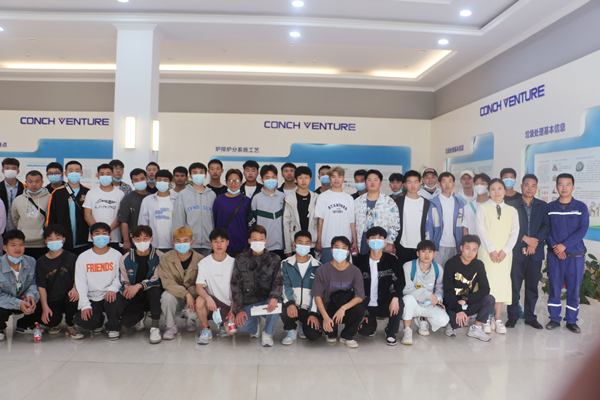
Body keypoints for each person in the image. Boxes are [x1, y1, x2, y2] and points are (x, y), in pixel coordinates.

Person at [546, 173, 589, 333]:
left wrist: (564, 245)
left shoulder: (581, 207)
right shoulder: (549, 208)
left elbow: (582, 230)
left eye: (567, 184)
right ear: (556, 186)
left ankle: (571, 321)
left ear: (573, 186)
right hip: (554, 256)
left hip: (575, 256)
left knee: (573, 290)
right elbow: (546, 229)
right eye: (561, 184)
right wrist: (556, 247)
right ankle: (554, 319)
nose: (564, 187)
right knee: (555, 288)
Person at [476, 178, 519, 334]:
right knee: (487, 284)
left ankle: (498, 318)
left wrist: (505, 250)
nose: (496, 192)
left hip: (504, 254)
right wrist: (491, 249)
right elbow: (480, 230)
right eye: (493, 189)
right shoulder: (483, 208)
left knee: (501, 284)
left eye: (499, 188)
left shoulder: (512, 211)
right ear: (489, 192)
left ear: (505, 191)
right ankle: (485, 317)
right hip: (487, 252)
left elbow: (515, 232)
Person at [506, 174, 549, 330]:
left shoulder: (542, 206)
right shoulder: (511, 205)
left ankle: (530, 317)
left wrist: (534, 242)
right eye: (527, 185)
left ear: (536, 188)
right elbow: (507, 227)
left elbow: (546, 227)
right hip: (516, 252)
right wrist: (525, 239)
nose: (530, 188)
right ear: (521, 186)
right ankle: (512, 316)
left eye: (533, 185)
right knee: (514, 286)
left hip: (535, 253)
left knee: (532, 287)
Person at [231, 225, 283, 347]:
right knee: (241, 325)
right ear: (249, 241)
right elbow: (235, 285)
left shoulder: (274, 259)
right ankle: (255, 327)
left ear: (266, 241)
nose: (258, 242)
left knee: (277, 303)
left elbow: (278, 281)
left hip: (267, 300)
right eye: (254, 239)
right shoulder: (240, 259)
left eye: (261, 239)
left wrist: (274, 297)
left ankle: (268, 332)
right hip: (248, 302)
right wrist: (239, 310)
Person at [312, 236, 366, 348]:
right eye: (337, 247)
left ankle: (347, 335)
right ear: (331, 250)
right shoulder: (322, 270)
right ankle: (331, 330)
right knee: (330, 336)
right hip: (329, 307)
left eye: (344, 248)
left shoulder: (355, 271)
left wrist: (343, 308)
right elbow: (317, 295)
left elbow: (360, 296)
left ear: (348, 252)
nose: (340, 251)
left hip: (346, 306)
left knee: (360, 307)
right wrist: (325, 317)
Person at [74, 222, 124, 340]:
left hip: (110, 294)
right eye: (97, 233)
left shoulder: (117, 255)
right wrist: (85, 305)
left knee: (116, 301)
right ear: (91, 237)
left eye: (104, 233)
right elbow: (80, 282)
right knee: (85, 321)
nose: (101, 236)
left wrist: (113, 289)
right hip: (92, 296)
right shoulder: (83, 257)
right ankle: (98, 321)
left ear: (109, 236)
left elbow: (120, 277)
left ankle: (113, 327)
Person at [114, 225, 163, 344]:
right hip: (135, 294)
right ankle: (141, 316)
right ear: (133, 240)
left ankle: (155, 327)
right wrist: (128, 290)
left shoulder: (159, 256)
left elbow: (158, 279)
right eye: (138, 239)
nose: (142, 242)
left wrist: (139, 285)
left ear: (151, 239)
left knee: (154, 291)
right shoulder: (126, 258)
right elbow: (124, 281)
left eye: (145, 238)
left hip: (152, 291)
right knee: (127, 322)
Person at [355, 227, 403, 346]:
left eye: (380, 238)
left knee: (399, 302)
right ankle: (371, 322)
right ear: (367, 241)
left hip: (385, 302)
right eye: (373, 238)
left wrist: (395, 297)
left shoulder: (392, 261)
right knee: (365, 332)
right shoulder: (359, 261)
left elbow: (400, 282)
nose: (376, 240)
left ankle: (390, 332)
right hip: (366, 304)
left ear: (385, 241)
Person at [34, 225, 83, 339]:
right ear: (45, 241)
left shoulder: (72, 257)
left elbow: (78, 277)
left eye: (57, 238)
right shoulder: (41, 262)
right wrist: (45, 307)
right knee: (49, 320)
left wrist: (75, 288)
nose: (54, 241)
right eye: (50, 239)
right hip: (52, 299)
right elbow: (41, 286)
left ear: (63, 240)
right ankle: (55, 323)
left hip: (69, 297)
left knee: (74, 298)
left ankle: (70, 324)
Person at [443, 235, 495, 341]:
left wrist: (466, 300)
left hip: (466, 303)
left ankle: (475, 328)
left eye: (474, 250)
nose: (470, 253)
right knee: (457, 324)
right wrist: (458, 310)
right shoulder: (451, 264)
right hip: (452, 304)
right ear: (461, 248)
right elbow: (447, 292)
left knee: (489, 299)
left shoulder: (478, 265)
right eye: (468, 248)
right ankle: (450, 323)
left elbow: (485, 289)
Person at [158, 226, 204, 340]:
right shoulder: (166, 258)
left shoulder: (200, 259)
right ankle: (170, 326)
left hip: (193, 295)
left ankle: (191, 321)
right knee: (166, 297)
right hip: (175, 295)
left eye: (185, 240)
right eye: (178, 241)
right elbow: (167, 282)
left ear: (191, 242)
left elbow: (201, 284)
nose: (182, 244)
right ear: (173, 243)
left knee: (199, 302)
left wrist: (190, 294)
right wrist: (186, 294)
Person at [401, 239, 449, 345]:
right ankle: (407, 330)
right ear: (418, 253)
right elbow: (407, 290)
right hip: (413, 305)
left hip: (428, 304)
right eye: (423, 251)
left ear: (434, 254)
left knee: (444, 319)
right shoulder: (408, 266)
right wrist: (428, 295)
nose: (427, 255)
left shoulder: (438, 269)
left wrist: (437, 299)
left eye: (430, 252)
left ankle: (423, 319)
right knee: (408, 299)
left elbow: (440, 288)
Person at [195, 228, 237, 344]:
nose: (219, 245)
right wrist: (208, 298)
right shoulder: (204, 263)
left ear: (227, 243)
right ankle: (206, 329)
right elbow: (199, 287)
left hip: (229, 305)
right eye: (215, 241)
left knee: (230, 332)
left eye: (222, 241)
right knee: (200, 300)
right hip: (212, 303)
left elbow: (237, 289)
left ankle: (223, 324)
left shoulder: (234, 262)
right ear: (211, 244)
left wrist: (232, 310)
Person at [281, 230, 322, 345]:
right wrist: (290, 303)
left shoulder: (318, 266)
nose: (303, 246)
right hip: (292, 306)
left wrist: (313, 313)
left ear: (311, 245)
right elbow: (284, 286)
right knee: (281, 305)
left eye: (306, 243)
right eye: (300, 243)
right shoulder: (285, 264)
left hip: (308, 308)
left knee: (313, 335)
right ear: (294, 244)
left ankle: (303, 325)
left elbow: (318, 293)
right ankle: (291, 329)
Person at [393, 170, 441, 268]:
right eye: (409, 182)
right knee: (402, 273)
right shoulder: (397, 202)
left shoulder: (427, 204)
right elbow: (393, 223)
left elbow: (430, 226)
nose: (413, 185)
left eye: (415, 182)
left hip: (420, 248)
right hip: (402, 246)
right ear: (404, 184)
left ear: (420, 183)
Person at [0, 229, 40, 340]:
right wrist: (18, 303)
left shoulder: (31, 261)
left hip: (24, 299)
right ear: (5, 248)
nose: (18, 248)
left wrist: (31, 295)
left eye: (21, 245)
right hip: (6, 302)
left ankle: (24, 324)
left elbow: (33, 283)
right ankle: (0, 327)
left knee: (40, 299)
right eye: (13, 245)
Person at [46, 160, 91, 256]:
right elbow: (50, 217)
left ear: (81, 173)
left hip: (83, 241)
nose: (74, 173)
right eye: (71, 171)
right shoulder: (57, 193)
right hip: (63, 242)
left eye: (77, 171)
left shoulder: (88, 192)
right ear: (66, 174)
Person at [315, 166, 357, 264]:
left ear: (343, 178)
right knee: (327, 271)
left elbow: (352, 222)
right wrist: (319, 241)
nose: (336, 179)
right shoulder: (322, 197)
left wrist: (355, 241)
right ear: (329, 179)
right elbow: (320, 222)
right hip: (327, 243)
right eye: (333, 176)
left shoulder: (349, 198)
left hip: (345, 244)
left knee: (343, 271)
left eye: (339, 176)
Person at [172, 162, 216, 257]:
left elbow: (214, 219)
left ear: (205, 175)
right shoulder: (183, 194)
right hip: (189, 243)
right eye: (195, 172)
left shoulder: (212, 195)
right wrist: (179, 241)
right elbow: (178, 219)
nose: (198, 175)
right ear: (190, 176)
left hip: (208, 243)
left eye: (201, 172)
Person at [354, 169, 399, 255]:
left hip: (381, 244)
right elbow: (353, 224)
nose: (372, 183)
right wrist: (354, 242)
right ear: (365, 182)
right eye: (369, 180)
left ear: (380, 183)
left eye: (375, 180)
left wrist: (390, 243)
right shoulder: (357, 202)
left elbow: (395, 225)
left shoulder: (389, 202)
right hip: (362, 242)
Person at [83, 164, 125, 253]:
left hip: (114, 238)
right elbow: (87, 215)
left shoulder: (120, 194)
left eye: (108, 174)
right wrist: (98, 232)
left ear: (112, 176)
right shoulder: (91, 193)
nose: (105, 176)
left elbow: (120, 215)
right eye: (102, 174)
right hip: (95, 238)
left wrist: (107, 231)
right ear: (98, 176)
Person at [11, 171, 51, 259]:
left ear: (42, 182)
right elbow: (15, 219)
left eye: (37, 181)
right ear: (26, 182)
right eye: (30, 181)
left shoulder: (50, 198)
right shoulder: (18, 200)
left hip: (42, 243)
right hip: (23, 243)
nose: (33, 184)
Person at [249, 164, 286, 259]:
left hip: (281, 246)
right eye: (267, 177)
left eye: (273, 177)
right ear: (262, 180)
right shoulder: (256, 198)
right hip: (263, 246)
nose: (271, 180)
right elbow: (251, 222)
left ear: (277, 178)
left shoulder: (283, 196)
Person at [429, 172, 466, 266]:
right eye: (444, 181)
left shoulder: (460, 203)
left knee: (453, 272)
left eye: (450, 181)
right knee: (438, 272)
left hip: (455, 245)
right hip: (438, 245)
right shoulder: (433, 202)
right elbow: (429, 225)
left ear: (454, 184)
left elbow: (463, 225)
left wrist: (462, 245)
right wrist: (430, 245)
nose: (447, 184)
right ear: (439, 184)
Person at [213, 169, 251, 257]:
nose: (233, 183)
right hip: (223, 246)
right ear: (226, 182)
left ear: (241, 182)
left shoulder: (247, 201)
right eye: (230, 180)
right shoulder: (219, 201)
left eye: (236, 180)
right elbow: (215, 221)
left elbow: (250, 224)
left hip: (242, 246)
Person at [138, 169, 177, 253]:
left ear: (170, 183)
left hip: (173, 245)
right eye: (159, 180)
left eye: (165, 180)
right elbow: (143, 223)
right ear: (155, 182)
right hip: (153, 245)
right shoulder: (147, 200)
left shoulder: (176, 200)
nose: (162, 182)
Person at [283, 166, 318, 256]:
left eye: (306, 177)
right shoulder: (289, 199)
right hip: (295, 244)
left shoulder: (316, 198)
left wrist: (319, 243)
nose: (303, 180)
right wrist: (288, 249)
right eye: (300, 178)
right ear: (295, 179)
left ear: (310, 179)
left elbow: (320, 223)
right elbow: (286, 224)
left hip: (312, 244)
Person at [118, 168, 148, 252]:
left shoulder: (151, 197)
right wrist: (126, 241)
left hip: (149, 239)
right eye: (136, 180)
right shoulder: (128, 198)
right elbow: (124, 221)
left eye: (142, 179)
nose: (139, 182)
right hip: (134, 240)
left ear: (147, 179)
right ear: (132, 182)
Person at [1, 157, 25, 231]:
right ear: (2, 170)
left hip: (20, 228)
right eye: (7, 168)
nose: (10, 171)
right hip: (2, 228)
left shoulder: (25, 188)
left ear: (18, 171)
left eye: (13, 168)